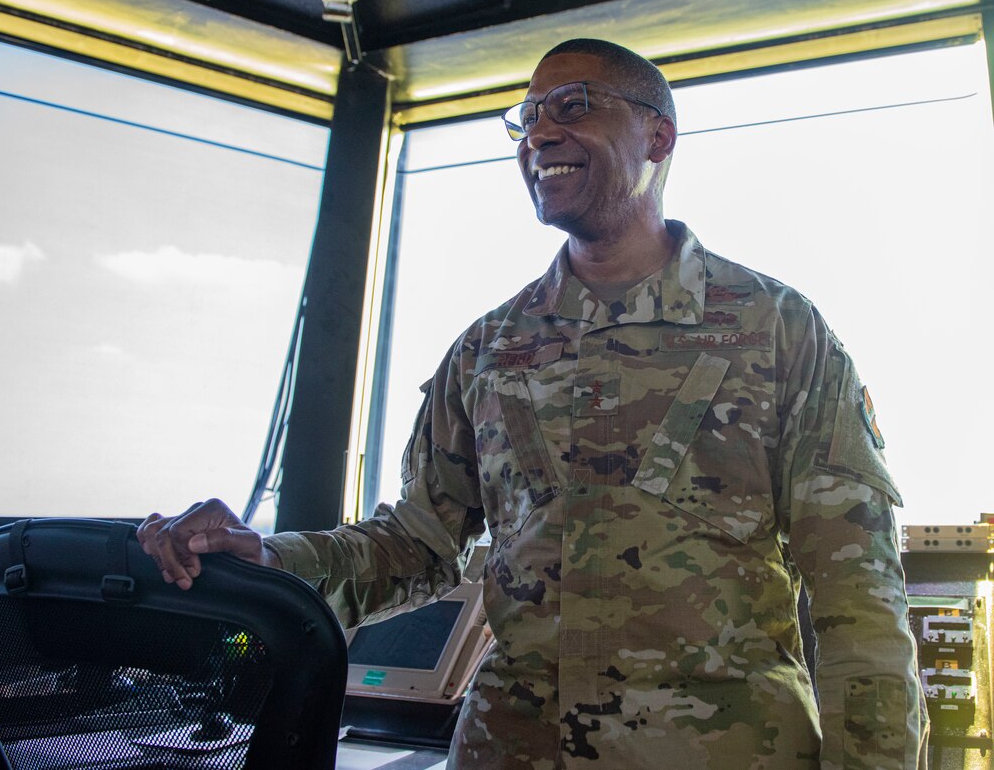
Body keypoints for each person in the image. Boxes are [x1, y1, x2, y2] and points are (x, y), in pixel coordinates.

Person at [139, 38, 929, 769]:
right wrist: (270, 560)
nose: (539, 134)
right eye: (527, 116)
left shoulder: (777, 331)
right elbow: (416, 544)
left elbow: (857, 594)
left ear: (659, 137)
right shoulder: (489, 349)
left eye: (574, 105)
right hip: (510, 748)